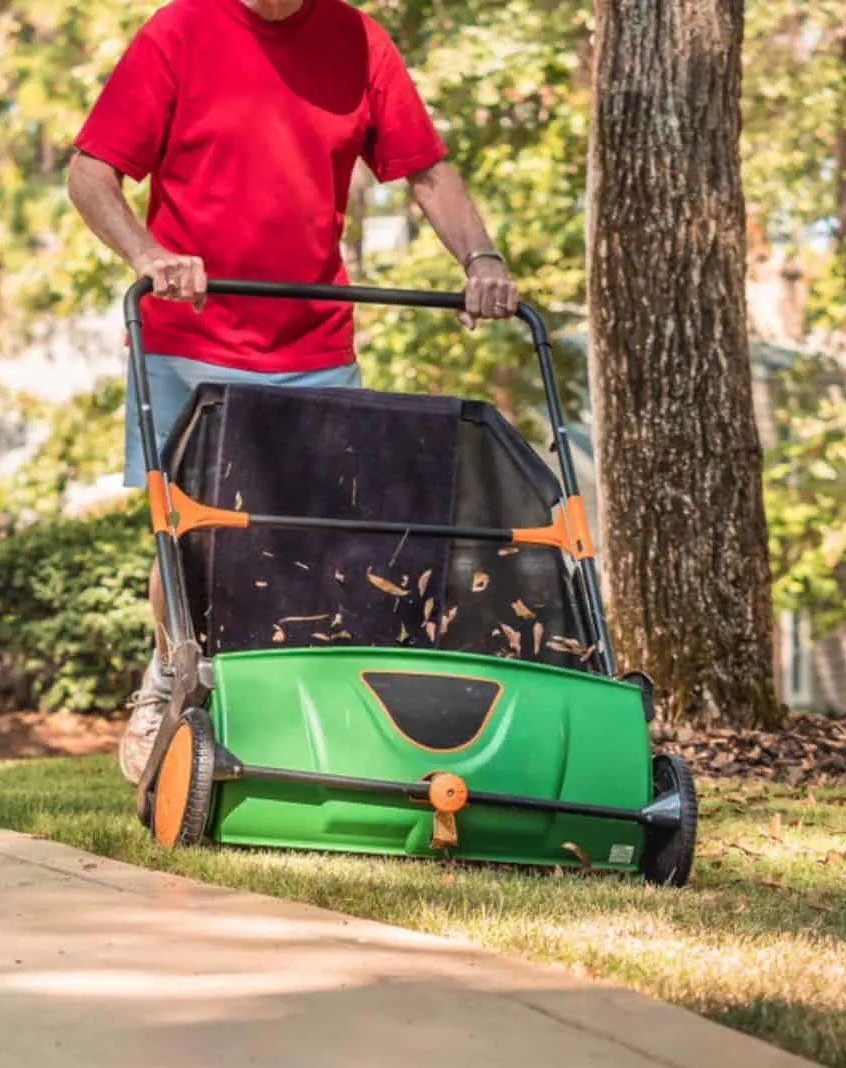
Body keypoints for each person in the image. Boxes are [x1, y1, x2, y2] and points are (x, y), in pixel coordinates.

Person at [66, 0, 520, 782]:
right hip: (191, 339)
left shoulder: (356, 42)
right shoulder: (181, 31)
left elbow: (426, 171)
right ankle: (171, 679)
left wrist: (480, 259)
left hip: (313, 343)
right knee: (190, 538)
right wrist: (147, 252)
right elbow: (90, 174)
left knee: (326, 545)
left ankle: (304, 714)